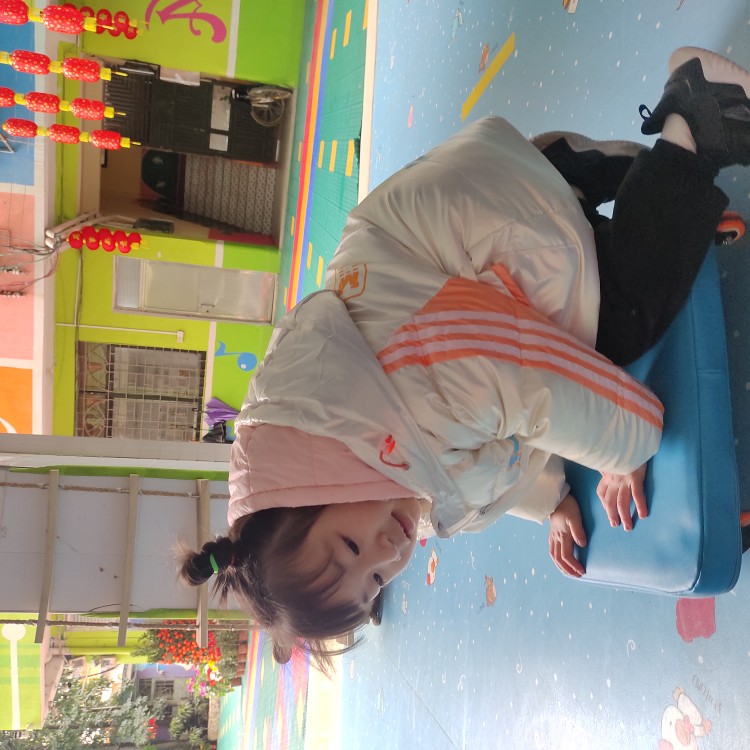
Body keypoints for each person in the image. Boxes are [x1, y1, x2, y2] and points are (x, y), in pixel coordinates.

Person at [179, 47, 750, 671]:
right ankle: (575, 172)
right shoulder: (372, 458)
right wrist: (552, 500)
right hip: (467, 211)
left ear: (316, 486)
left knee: (621, 322)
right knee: (541, 322)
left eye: (350, 547)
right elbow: (473, 471)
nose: (386, 552)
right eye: (375, 581)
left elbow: (533, 378)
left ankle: (700, 115)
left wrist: (625, 449)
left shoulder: (419, 377)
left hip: (508, 217)